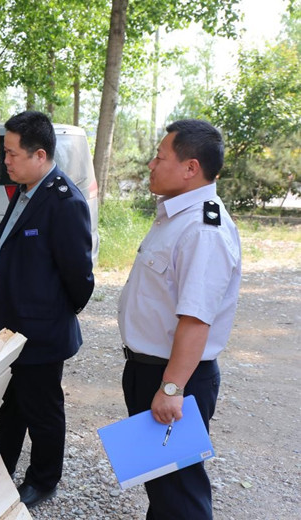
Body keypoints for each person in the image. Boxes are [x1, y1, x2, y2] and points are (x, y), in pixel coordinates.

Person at [118, 119, 241, 519]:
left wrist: (172, 388)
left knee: (181, 493)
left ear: (190, 168)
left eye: (160, 157)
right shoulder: (174, 215)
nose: (151, 165)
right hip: (149, 370)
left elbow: (196, 319)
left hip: (175, 378)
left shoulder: (203, 228)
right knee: (162, 483)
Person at [0, 110, 94, 507]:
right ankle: (1, 468)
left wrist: (52, 315)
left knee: (43, 411)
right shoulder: (27, 190)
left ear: (39, 155)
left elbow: (79, 278)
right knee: (12, 404)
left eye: (11, 154)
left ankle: (44, 479)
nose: (5, 160)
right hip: (13, 330)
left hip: (41, 333)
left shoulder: (63, 202)